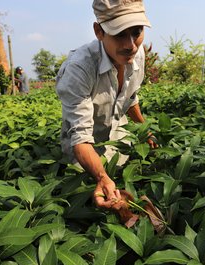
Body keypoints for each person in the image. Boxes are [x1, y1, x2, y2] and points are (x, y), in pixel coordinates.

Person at [56, 0, 158, 210]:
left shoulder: (136, 54)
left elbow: (130, 97)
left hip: (119, 140)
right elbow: (81, 138)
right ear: (99, 31)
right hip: (84, 151)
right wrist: (101, 176)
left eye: (137, 32)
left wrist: (144, 130)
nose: (131, 44)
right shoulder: (79, 69)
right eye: (120, 33)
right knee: (89, 202)